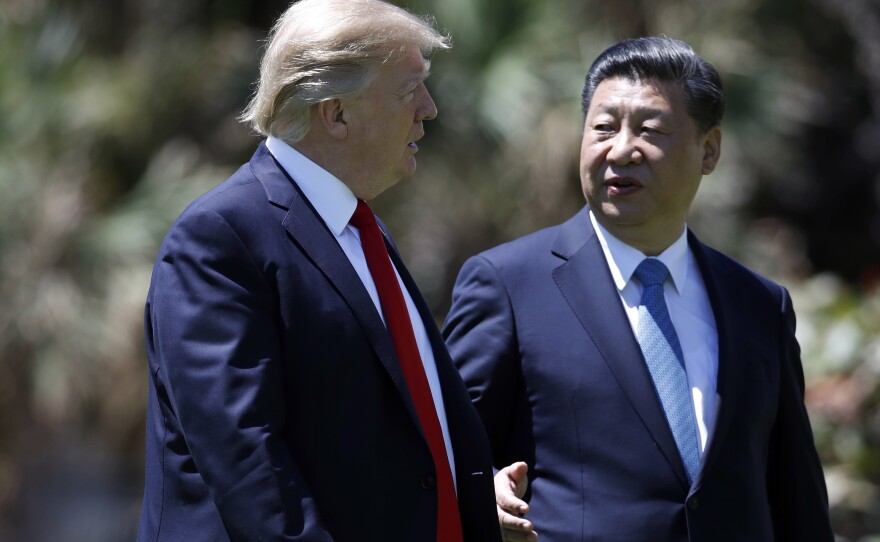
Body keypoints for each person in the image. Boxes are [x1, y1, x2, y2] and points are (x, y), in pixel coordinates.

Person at [443, 36, 834, 542]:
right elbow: (443, 456)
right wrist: (481, 495)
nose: (621, 150)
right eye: (603, 128)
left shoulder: (759, 304)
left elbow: (794, 493)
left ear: (708, 150)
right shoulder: (508, 285)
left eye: (649, 130)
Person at [137, 1, 502, 540]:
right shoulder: (219, 238)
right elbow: (250, 465)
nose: (429, 109)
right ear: (336, 113)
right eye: (409, 89)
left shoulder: (363, 232)